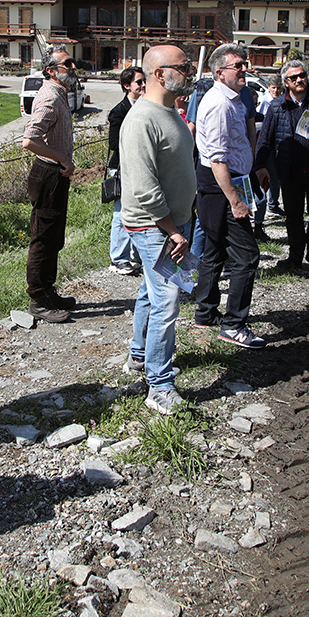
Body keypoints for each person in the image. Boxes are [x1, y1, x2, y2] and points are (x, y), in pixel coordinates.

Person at [119, 45, 198, 415]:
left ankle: (140, 356)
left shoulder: (170, 111)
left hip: (173, 224)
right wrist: (173, 231)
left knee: (152, 294)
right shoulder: (140, 120)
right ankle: (159, 386)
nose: (190, 71)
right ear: (159, 74)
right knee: (167, 303)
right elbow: (143, 188)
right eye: (183, 67)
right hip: (156, 227)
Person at [193, 43, 267, 349]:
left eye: (245, 63)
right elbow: (219, 159)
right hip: (223, 184)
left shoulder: (233, 99)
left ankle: (205, 312)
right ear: (220, 72)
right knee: (247, 256)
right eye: (239, 65)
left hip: (227, 180)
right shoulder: (220, 104)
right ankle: (234, 325)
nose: (245, 69)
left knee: (214, 250)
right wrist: (236, 200)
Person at [254, 62, 309, 275]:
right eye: (293, 78)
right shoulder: (277, 106)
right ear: (286, 82)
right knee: (293, 217)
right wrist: (259, 166)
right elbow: (265, 138)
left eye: (302, 75)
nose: (299, 80)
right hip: (289, 173)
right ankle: (295, 257)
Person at [21, 46, 79, 323]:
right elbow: (29, 140)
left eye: (72, 62)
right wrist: (63, 160)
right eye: (67, 63)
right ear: (51, 71)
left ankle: (48, 292)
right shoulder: (49, 98)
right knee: (43, 239)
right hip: (48, 174)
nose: (73, 67)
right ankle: (38, 298)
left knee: (54, 237)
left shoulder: (59, 94)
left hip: (55, 174)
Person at [107, 65, 145, 275]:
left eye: (144, 81)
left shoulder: (147, 106)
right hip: (123, 168)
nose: (143, 85)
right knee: (121, 212)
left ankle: (134, 256)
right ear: (127, 86)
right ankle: (118, 258)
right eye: (138, 82)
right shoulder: (119, 111)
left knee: (139, 212)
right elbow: (114, 143)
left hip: (140, 167)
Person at [252, 75, 284, 240]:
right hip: (243, 160)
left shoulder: (262, 118)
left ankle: (258, 226)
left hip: (262, 157)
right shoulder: (237, 118)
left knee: (262, 194)